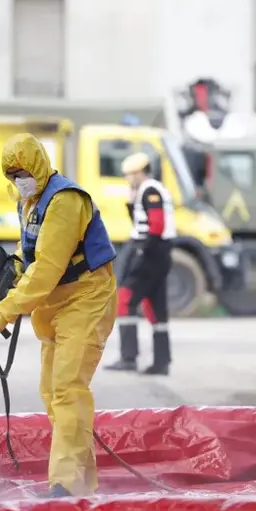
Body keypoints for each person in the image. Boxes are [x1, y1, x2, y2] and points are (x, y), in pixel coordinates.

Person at [0, 133, 118, 498]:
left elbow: (47, 269)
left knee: (68, 387)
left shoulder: (65, 200)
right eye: (11, 175)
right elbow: (29, 256)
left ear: (38, 163)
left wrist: (7, 310)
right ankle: (82, 484)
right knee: (52, 391)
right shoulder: (30, 201)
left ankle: (65, 485)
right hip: (56, 304)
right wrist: (0, 285)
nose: (17, 180)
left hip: (86, 299)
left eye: (22, 171)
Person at [105, 152, 175, 375]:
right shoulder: (147, 190)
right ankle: (161, 362)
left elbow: (156, 225)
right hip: (158, 253)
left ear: (139, 173)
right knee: (155, 308)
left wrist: (142, 253)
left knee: (125, 299)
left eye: (130, 174)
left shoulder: (150, 190)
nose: (128, 178)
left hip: (149, 252)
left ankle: (128, 357)